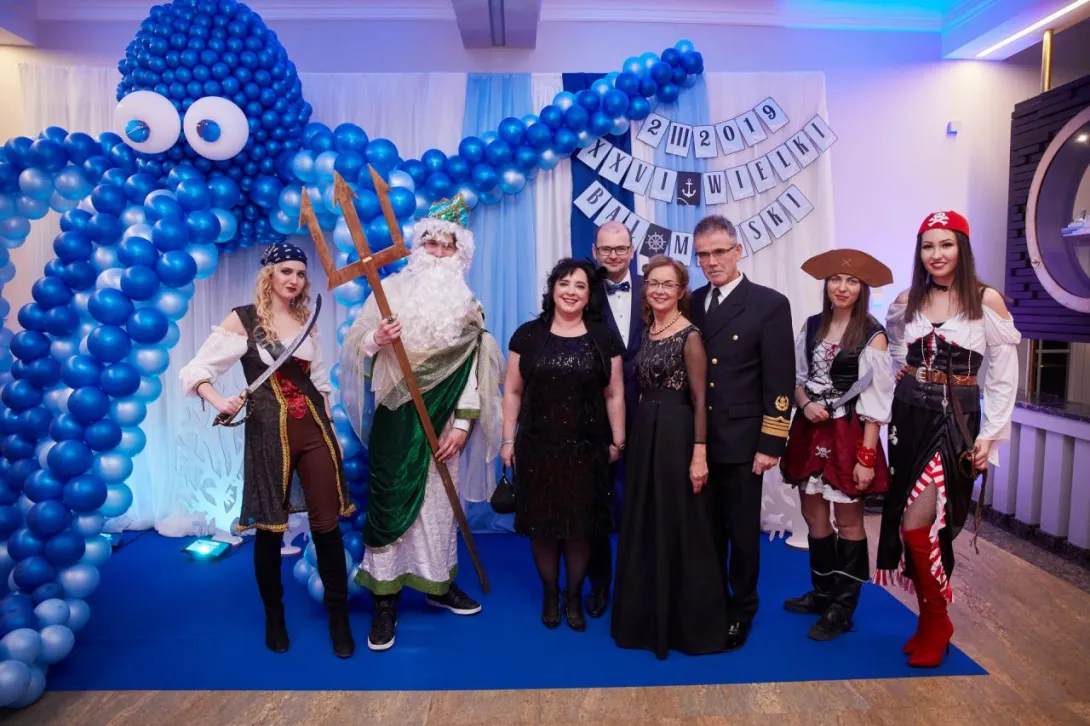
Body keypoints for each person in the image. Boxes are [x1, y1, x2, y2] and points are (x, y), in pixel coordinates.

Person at [339, 195, 505, 653]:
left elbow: (474, 371)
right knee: (391, 502)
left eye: (447, 245)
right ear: (418, 247)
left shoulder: (468, 304)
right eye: (431, 243)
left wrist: (463, 426)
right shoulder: (389, 291)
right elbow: (355, 345)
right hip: (397, 420)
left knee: (438, 507)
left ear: (459, 253)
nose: (438, 252)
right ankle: (385, 598)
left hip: (445, 421)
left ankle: (437, 584)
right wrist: (377, 338)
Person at [178, 241, 356, 658]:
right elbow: (196, 370)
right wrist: (218, 400)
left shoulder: (307, 320)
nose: (294, 280)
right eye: (285, 271)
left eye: (300, 273)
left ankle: (339, 617)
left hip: (314, 429)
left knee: (326, 524)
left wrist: (331, 432)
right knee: (270, 529)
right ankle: (274, 616)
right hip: (268, 435)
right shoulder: (244, 320)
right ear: (269, 275)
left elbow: (320, 383)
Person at [876, 211, 1020, 667]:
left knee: (921, 525)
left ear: (962, 248)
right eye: (927, 246)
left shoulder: (985, 299)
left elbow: (1002, 377)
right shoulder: (908, 299)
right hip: (908, 418)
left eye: (946, 244)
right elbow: (895, 343)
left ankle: (938, 622)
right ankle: (926, 619)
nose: (935, 254)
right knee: (907, 523)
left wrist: (990, 437)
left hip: (955, 421)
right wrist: (903, 367)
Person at [611, 255, 726, 659]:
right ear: (646, 289)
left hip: (677, 435)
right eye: (653, 283)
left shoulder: (690, 336)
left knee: (678, 523)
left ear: (681, 291)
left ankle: (686, 624)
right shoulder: (649, 331)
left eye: (668, 284)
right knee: (646, 522)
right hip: (647, 435)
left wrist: (699, 454)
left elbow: (699, 398)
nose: (660, 290)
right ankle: (645, 618)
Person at [502, 258, 626, 632]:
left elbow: (614, 394)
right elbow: (512, 391)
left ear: (589, 295)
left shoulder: (604, 337)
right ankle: (549, 594)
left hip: (587, 449)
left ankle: (573, 597)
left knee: (580, 529)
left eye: (580, 286)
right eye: (564, 283)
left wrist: (618, 440)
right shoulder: (527, 336)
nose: (571, 291)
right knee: (543, 527)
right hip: (536, 447)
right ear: (553, 288)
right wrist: (507, 439)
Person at [691, 214, 795, 652]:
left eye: (719, 252)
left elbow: (780, 378)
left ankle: (742, 607)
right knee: (706, 528)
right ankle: (711, 600)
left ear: (738, 251)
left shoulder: (768, 303)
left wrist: (771, 443)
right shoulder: (692, 302)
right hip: (698, 439)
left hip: (742, 439)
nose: (711, 262)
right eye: (703, 255)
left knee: (742, 531)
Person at [780, 249, 896, 641]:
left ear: (862, 289)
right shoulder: (812, 325)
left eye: (851, 281)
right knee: (813, 515)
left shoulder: (874, 335)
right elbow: (796, 377)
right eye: (835, 279)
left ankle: (843, 608)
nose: (842, 287)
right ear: (826, 284)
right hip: (810, 430)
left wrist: (867, 457)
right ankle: (822, 593)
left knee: (848, 522)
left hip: (849, 434)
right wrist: (805, 404)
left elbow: (876, 402)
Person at [586, 221, 645, 619]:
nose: (613, 255)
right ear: (595, 251)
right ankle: (599, 583)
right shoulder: (580, 290)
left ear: (632, 250)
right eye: (606, 249)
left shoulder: (655, 287)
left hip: (652, 411)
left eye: (620, 248)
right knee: (597, 502)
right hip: (596, 411)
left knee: (646, 500)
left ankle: (641, 581)